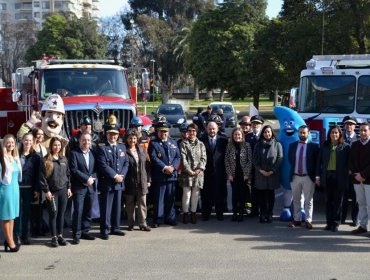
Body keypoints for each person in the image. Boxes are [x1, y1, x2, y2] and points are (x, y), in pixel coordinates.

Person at [96, 115, 129, 240]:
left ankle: (116, 228)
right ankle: (105, 230)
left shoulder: (122, 146)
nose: (113, 136)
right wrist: (115, 175)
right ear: (106, 134)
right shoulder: (101, 147)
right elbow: (102, 165)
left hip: (119, 182)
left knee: (117, 206)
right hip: (108, 182)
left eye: (115, 134)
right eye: (110, 134)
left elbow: (126, 163)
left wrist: (122, 176)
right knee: (106, 208)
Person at [316, 125, 350, 232]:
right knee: (328, 201)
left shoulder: (345, 147)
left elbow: (348, 164)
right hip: (327, 177)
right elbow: (319, 162)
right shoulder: (325, 146)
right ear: (329, 134)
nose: (334, 135)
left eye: (336, 133)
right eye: (332, 133)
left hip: (339, 177)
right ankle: (328, 222)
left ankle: (335, 223)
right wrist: (317, 176)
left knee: (337, 202)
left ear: (340, 134)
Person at [40, 137, 72, 247]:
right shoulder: (45, 160)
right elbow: (42, 178)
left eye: (59, 145)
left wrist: (68, 188)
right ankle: (53, 237)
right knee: (53, 214)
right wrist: (46, 191)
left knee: (61, 214)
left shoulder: (64, 159)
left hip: (63, 190)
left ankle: (60, 235)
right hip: (52, 192)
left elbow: (68, 174)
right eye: (55, 145)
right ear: (51, 146)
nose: (57, 147)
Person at [148, 122, 180, 227]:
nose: (163, 133)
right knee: (159, 199)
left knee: (170, 199)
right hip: (160, 175)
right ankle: (158, 219)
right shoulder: (153, 143)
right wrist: (165, 167)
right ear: (157, 132)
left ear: (168, 132)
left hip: (171, 175)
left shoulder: (173, 142)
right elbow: (153, 158)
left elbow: (177, 157)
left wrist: (173, 167)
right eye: (161, 131)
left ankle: (170, 218)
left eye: (165, 131)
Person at [288, 125, 319, 229]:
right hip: (295, 176)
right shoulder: (292, 146)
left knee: (308, 200)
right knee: (296, 199)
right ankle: (296, 220)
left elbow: (316, 163)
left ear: (308, 133)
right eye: (300, 132)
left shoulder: (314, 146)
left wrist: (315, 176)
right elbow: (290, 159)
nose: (302, 134)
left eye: (304, 132)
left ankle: (308, 220)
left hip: (308, 177)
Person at [69, 132, 97, 244]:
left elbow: (96, 169)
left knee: (88, 210)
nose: (86, 142)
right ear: (80, 141)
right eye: (84, 140)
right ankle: (76, 234)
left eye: (88, 140)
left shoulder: (93, 153)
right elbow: (74, 169)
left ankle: (85, 231)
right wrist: (86, 179)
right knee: (78, 210)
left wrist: (92, 179)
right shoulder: (74, 153)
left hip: (90, 187)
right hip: (79, 187)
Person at [14, 133, 41, 245]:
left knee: (26, 213)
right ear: (22, 141)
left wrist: (36, 189)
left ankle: (25, 235)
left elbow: (37, 174)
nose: (28, 142)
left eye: (30, 140)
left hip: (29, 188)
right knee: (17, 212)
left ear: (33, 141)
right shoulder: (16, 154)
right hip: (16, 187)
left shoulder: (36, 156)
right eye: (26, 140)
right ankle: (16, 235)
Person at [253, 125, 283, 223]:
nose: (267, 134)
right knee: (261, 196)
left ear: (272, 133)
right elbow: (254, 159)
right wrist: (260, 170)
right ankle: (262, 213)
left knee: (270, 195)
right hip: (260, 174)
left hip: (272, 174)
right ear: (263, 133)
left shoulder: (277, 144)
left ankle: (269, 213)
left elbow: (280, 158)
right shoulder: (258, 145)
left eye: (269, 132)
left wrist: (272, 170)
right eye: (265, 132)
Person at [200, 121, 228, 221]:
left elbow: (227, 157)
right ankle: (205, 213)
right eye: (210, 129)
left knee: (219, 193)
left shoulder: (224, 141)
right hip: (206, 172)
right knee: (206, 194)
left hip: (220, 172)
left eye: (213, 129)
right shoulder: (201, 140)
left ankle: (219, 213)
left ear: (217, 129)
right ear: (206, 129)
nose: (212, 131)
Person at [124, 128, 151, 231]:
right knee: (130, 203)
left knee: (142, 203)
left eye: (134, 138)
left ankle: (143, 223)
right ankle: (130, 223)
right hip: (129, 181)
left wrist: (148, 179)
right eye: (130, 138)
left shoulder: (142, 149)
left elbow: (147, 166)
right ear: (127, 139)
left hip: (142, 180)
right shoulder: (124, 151)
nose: (132, 141)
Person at [179, 123, 207, 224]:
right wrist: (188, 170)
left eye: (194, 131)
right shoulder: (183, 143)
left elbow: (204, 158)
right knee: (186, 194)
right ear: (187, 132)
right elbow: (183, 158)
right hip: (187, 174)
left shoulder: (201, 144)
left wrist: (199, 169)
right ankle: (185, 213)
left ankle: (193, 213)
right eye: (190, 131)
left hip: (198, 174)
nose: (192, 133)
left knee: (195, 194)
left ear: (197, 132)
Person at [225, 128, 252, 222]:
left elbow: (249, 160)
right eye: (235, 134)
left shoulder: (247, 145)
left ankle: (241, 212)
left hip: (243, 175)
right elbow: (226, 161)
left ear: (242, 136)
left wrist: (247, 173)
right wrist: (229, 174)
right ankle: (235, 212)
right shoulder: (229, 146)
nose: (237, 136)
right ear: (233, 136)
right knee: (234, 194)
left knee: (242, 194)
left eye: (239, 134)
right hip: (233, 175)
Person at [0, 134, 22, 252]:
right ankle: (10, 242)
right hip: (5, 190)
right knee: (6, 217)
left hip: (14, 189)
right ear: (4, 144)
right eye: (8, 143)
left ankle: (9, 240)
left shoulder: (14, 157)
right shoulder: (1, 158)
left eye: (12, 143)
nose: (11, 145)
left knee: (12, 217)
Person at [349, 122, 370, 235]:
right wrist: (356, 175)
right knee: (361, 203)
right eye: (361, 130)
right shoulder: (355, 144)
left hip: (368, 180)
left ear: (369, 131)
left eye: (365, 130)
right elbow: (351, 161)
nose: (362, 132)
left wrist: (363, 175)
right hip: (356, 179)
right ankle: (362, 226)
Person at [341, 115, 359, 226]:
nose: (349, 126)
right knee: (343, 198)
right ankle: (341, 219)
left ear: (354, 126)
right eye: (347, 124)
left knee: (356, 198)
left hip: (355, 174)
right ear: (344, 125)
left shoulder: (358, 139)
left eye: (351, 124)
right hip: (343, 174)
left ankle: (354, 219)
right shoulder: (339, 138)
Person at [246, 115, 265, 217]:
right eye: (253, 123)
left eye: (257, 123)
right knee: (252, 191)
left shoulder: (265, 135)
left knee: (262, 191)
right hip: (251, 169)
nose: (255, 125)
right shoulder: (247, 137)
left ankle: (263, 211)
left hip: (262, 169)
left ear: (261, 124)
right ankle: (253, 210)